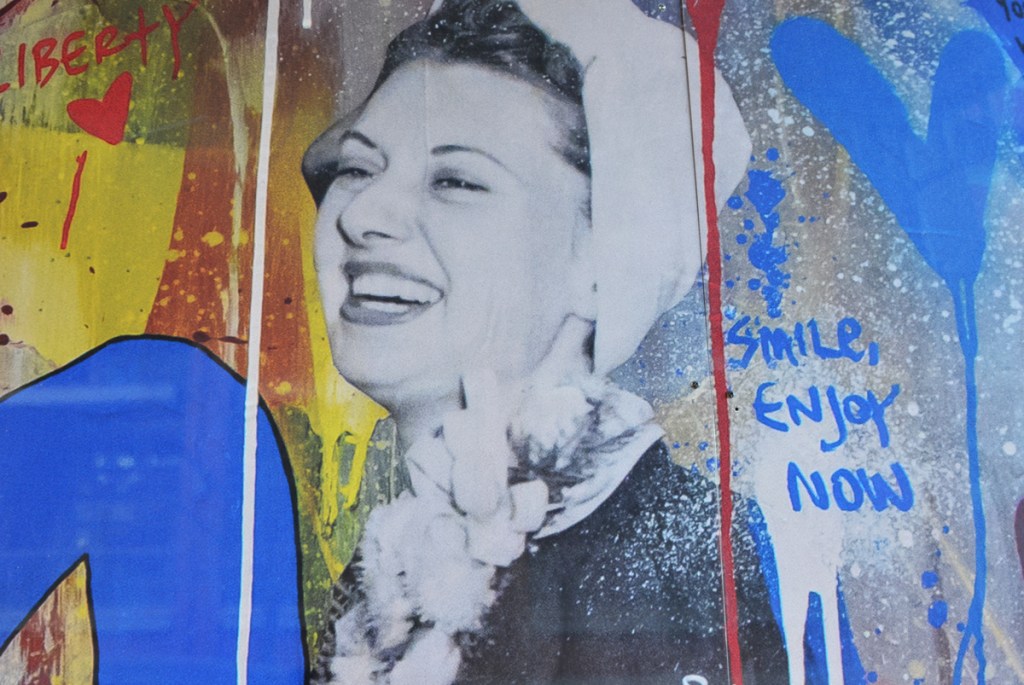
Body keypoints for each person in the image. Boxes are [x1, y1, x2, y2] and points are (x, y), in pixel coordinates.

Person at [304, 0, 789, 683]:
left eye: (456, 180)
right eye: (357, 168)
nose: (362, 214)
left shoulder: (656, 555)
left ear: (601, 258)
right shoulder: (403, 547)